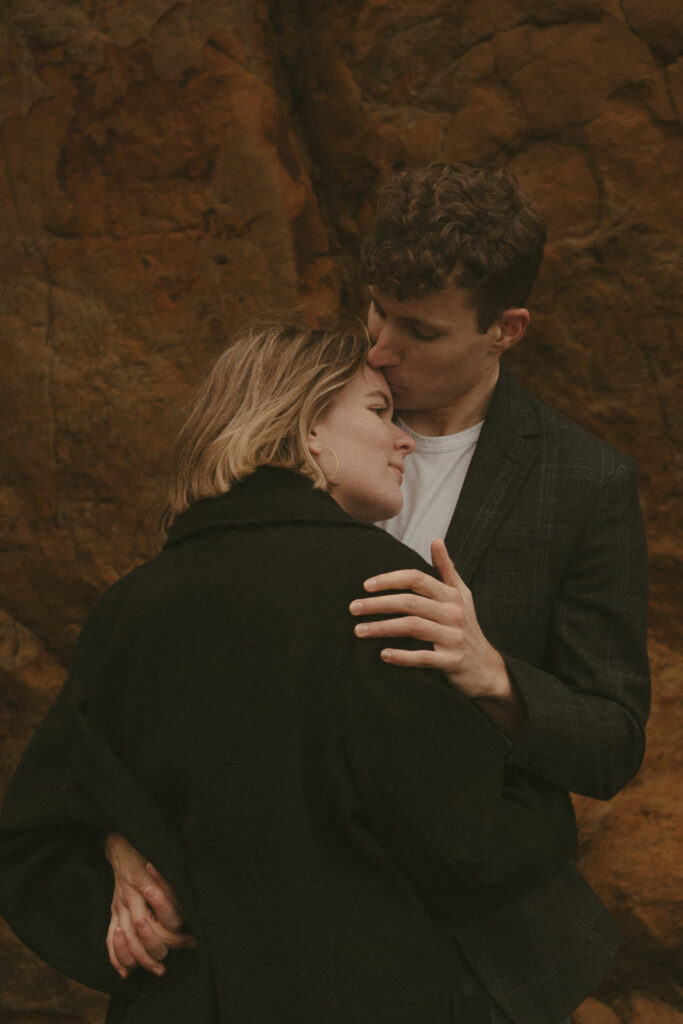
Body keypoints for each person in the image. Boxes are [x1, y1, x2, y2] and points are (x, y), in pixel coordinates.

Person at [101, 164, 651, 1023]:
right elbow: (166, 678)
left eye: (420, 332)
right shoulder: (297, 412)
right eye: (375, 312)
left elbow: (612, 744)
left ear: (504, 330)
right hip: (280, 939)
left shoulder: (582, 484)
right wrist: (123, 840)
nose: (381, 349)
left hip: (477, 953)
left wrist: (493, 675)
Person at [0, 320, 586, 1023]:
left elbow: (37, 835)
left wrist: (117, 852)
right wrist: (544, 793)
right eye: (378, 412)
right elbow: (465, 846)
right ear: (305, 429)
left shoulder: (130, 606)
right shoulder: (383, 589)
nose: (405, 440)